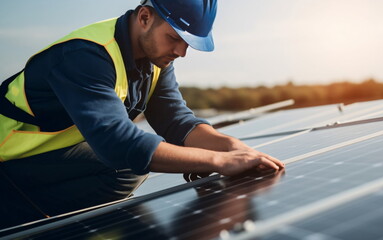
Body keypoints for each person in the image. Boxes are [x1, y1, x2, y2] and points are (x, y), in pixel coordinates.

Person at [0, 0, 283, 229]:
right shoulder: (84, 55)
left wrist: (234, 148)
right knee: (126, 165)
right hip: (8, 162)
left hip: (46, 158)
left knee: (130, 167)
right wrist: (219, 161)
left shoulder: (155, 59)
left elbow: (176, 121)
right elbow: (117, 142)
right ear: (145, 17)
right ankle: (24, 222)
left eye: (188, 43)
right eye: (175, 37)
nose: (181, 52)